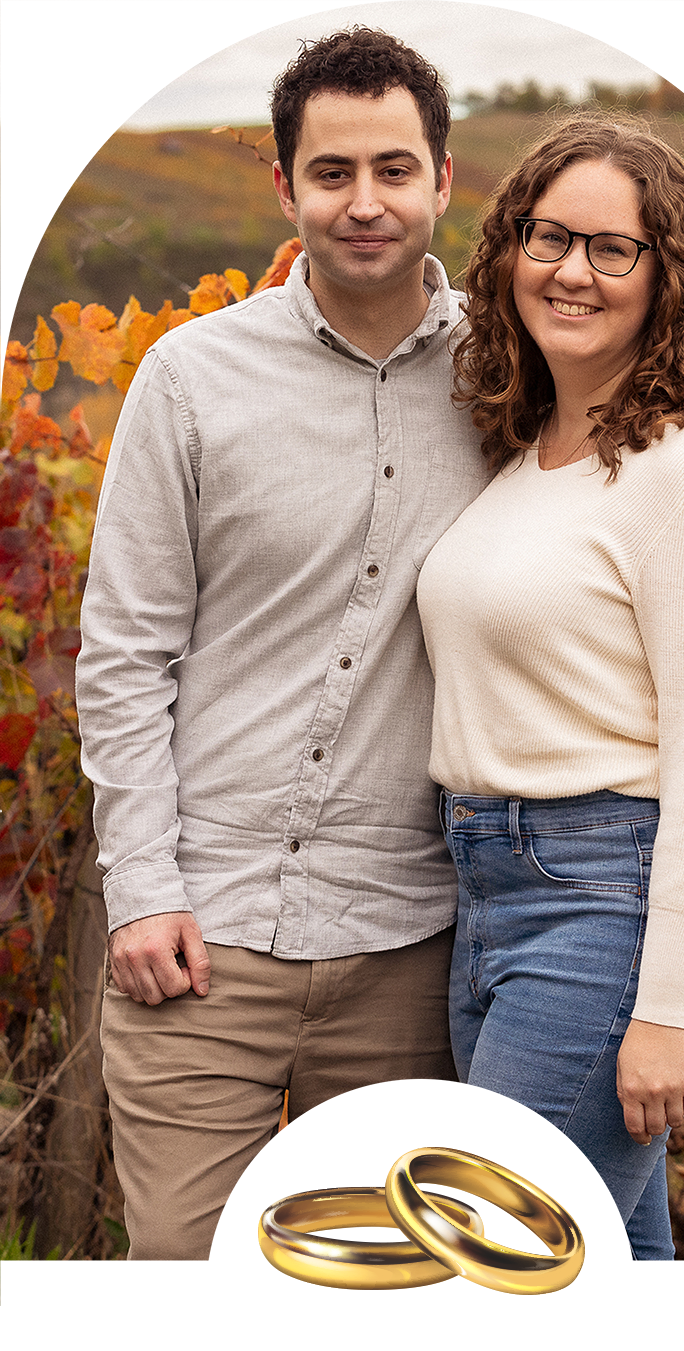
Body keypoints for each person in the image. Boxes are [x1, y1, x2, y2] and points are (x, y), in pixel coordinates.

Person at [75, 27, 489, 1261]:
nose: (365, 202)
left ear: (443, 178)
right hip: (200, 938)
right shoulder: (189, 379)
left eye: (394, 170)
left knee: (385, 1296)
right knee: (182, 1278)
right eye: (332, 172)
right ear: (283, 186)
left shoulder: (512, 378)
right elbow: (125, 651)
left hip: (414, 945)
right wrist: (143, 888)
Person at [416, 111, 684, 1260]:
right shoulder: (527, 455)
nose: (572, 270)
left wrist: (665, 1009)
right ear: (511, 248)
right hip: (490, 893)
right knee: (607, 1270)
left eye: (612, 247)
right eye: (549, 237)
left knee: (469, 1259)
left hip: (610, 907)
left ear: (668, 275)